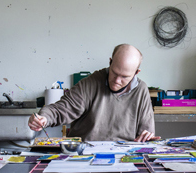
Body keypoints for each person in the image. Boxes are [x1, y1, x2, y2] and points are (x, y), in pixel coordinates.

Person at [28, 44, 160, 142]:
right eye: (114, 73)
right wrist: (44, 118)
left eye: (124, 77)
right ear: (110, 62)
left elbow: (147, 134)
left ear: (136, 73)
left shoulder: (141, 90)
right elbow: (62, 109)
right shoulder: (90, 84)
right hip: (86, 155)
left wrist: (147, 137)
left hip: (123, 157)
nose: (117, 81)